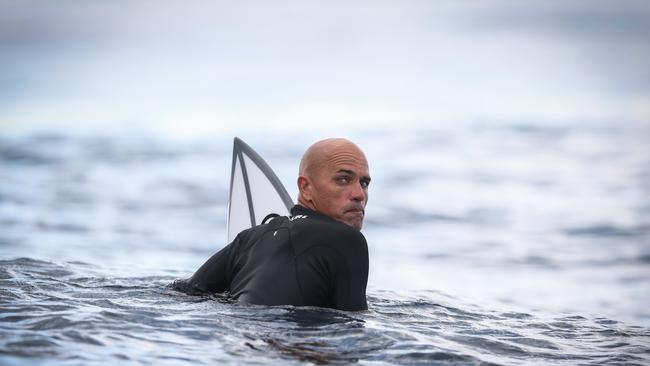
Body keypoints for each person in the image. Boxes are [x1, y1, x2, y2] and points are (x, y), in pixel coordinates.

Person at [172, 138, 371, 311]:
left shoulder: (250, 237)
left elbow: (185, 291)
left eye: (364, 183)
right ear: (305, 187)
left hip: (236, 339)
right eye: (343, 179)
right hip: (283, 347)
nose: (359, 195)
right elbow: (352, 332)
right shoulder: (348, 240)